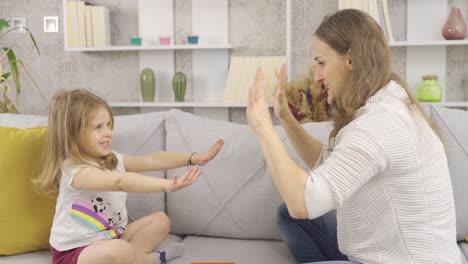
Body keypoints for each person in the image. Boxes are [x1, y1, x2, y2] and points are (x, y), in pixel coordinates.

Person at [246, 9, 461, 264]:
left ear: (350, 60)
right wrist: (285, 118)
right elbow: (327, 162)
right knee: (289, 217)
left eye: (321, 63)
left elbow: (302, 201)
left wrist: (262, 125)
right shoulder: (389, 102)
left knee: (296, 211)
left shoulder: (377, 125)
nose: (317, 76)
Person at [34, 89, 224, 264]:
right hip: (75, 253)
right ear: (73, 134)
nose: (108, 132)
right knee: (119, 250)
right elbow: (120, 182)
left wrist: (194, 158)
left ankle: (131, 259)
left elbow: (153, 160)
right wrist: (167, 185)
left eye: (108, 125)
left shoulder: (112, 159)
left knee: (161, 220)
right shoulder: (76, 172)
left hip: (112, 237)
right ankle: (152, 260)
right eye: (98, 127)